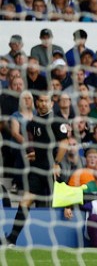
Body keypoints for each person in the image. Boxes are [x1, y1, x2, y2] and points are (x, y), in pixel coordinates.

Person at [4, 93, 70, 245]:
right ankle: (12, 239)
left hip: (52, 170)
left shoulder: (56, 121)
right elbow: (43, 144)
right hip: (37, 169)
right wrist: (36, 155)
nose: (43, 103)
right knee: (25, 202)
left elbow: (64, 143)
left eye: (46, 100)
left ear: (51, 104)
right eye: (40, 100)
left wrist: (56, 163)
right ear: (36, 103)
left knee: (67, 200)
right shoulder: (33, 122)